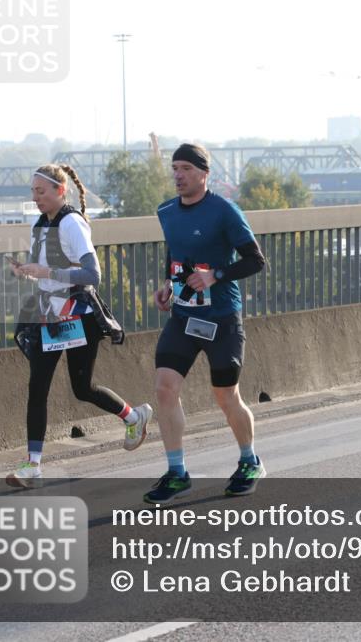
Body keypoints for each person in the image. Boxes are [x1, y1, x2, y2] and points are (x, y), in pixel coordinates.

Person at [7, 164, 152, 487]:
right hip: (50, 313)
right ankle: (33, 466)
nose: (35, 198)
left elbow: (92, 275)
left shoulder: (72, 223)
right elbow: (48, 269)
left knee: (82, 388)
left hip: (79, 314)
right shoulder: (40, 224)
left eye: (41, 192)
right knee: (37, 386)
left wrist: (46, 274)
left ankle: (133, 416)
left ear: (61, 191)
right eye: (32, 191)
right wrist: (27, 270)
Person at [146, 143, 267, 503]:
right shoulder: (166, 211)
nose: (178, 175)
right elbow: (175, 250)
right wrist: (168, 284)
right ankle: (177, 472)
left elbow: (255, 260)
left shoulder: (224, 211)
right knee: (165, 388)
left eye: (185, 168)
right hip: (184, 315)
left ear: (204, 173)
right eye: (175, 168)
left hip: (221, 319)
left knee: (226, 395)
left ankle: (250, 461)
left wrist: (215, 275)